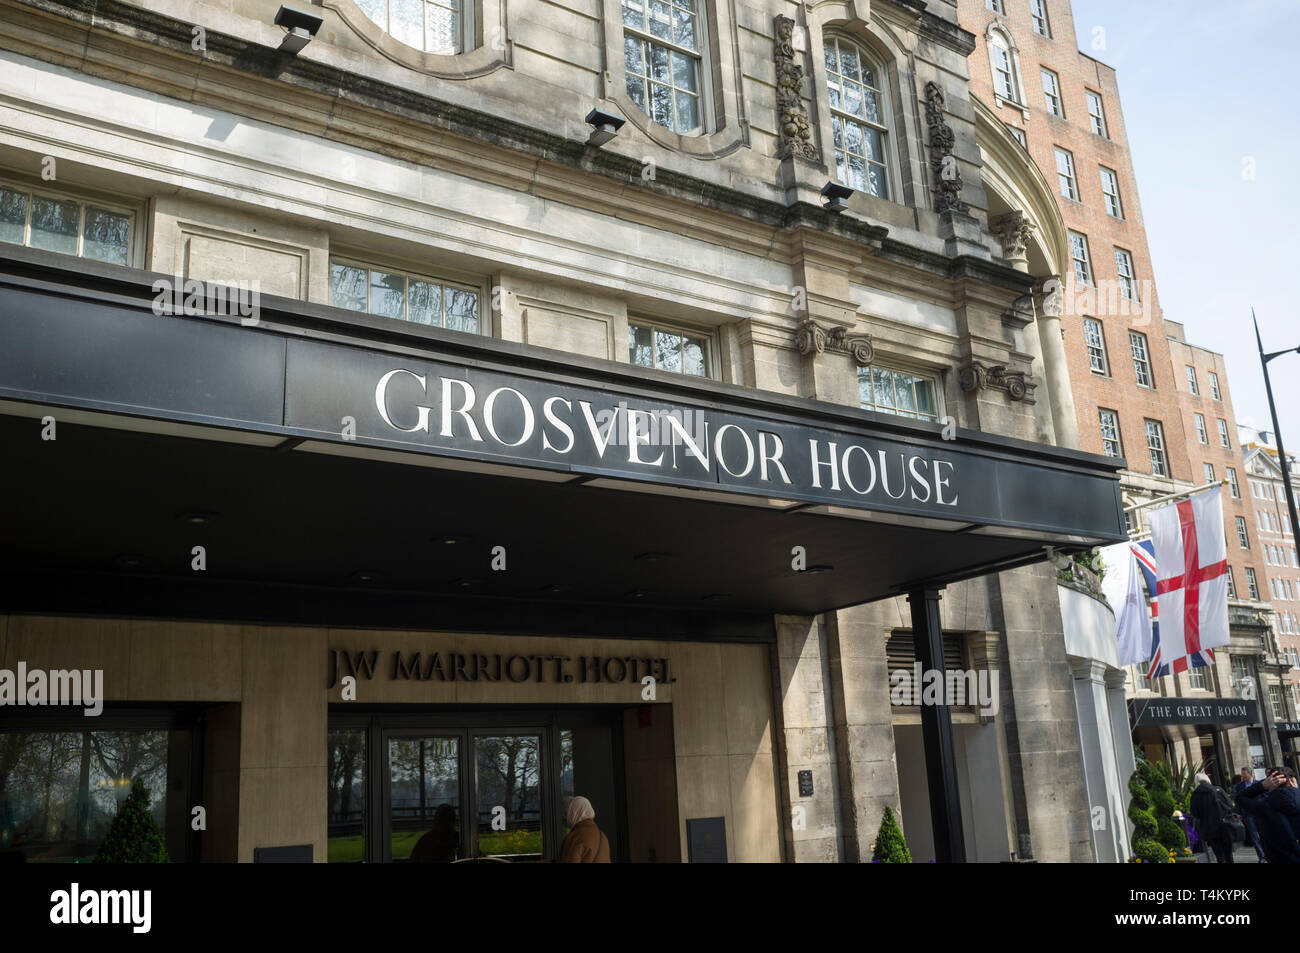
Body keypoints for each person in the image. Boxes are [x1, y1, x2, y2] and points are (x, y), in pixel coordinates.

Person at [1237, 767, 1300, 863]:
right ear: (1292, 781)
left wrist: (1262, 786)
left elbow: (1240, 797)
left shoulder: (1263, 807)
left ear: (1271, 784)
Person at [1189, 772, 1234, 863]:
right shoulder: (1218, 790)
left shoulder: (1195, 795)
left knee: (1219, 855)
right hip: (1225, 826)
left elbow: (1194, 813)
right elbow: (1230, 805)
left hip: (1209, 829)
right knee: (1228, 854)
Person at [558, 795, 610, 863]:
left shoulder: (575, 838)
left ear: (574, 813)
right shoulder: (603, 837)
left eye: (567, 812)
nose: (565, 816)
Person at [1233, 766, 1267, 862]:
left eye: (1244, 774)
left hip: (1259, 813)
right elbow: (1237, 801)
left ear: (1250, 774)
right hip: (1247, 815)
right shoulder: (1239, 786)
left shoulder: (1259, 784)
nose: (1243, 776)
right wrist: (1238, 813)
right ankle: (1262, 856)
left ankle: (1267, 853)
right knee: (1254, 836)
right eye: (1242, 774)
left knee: (1263, 834)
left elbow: (1264, 797)